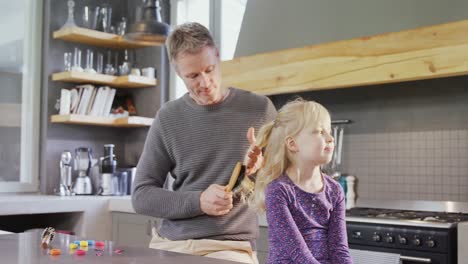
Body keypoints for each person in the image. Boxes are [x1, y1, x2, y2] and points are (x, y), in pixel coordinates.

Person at [131, 22, 277, 264]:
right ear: (178, 72)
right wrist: (198, 202)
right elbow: (141, 196)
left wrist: (262, 170)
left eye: (210, 69)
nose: (205, 82)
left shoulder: (260, 110)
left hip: (228, 247)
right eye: (193, 75)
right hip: (171, 244)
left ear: (218, 56)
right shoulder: (168, 118)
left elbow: (283, 182)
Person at [243, 99, 353, 263]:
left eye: (329, 131)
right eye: (319, 131)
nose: (330, 138)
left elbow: (339, 249)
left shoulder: (335, 190)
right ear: (292, 144)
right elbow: (297, 251)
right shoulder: (278, 190)